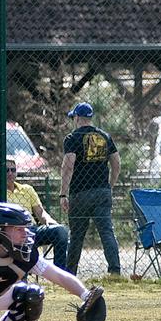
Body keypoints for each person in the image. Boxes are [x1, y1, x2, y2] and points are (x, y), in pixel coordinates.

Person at [60, 102, 121, 276]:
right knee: (107, 232)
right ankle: (115, 270)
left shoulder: (72, 138)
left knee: (77, 235)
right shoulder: (104, 137)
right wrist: (109, 186)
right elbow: (116, 163)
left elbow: (68, 166)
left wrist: (63, 193)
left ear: (77, 118)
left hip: (80, 193)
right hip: (102, 191)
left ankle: (70, 273)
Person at [0, 157, 69, 271]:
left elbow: (41, 213)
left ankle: (60, 273)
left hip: (31, 230)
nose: (10, 173)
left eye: (13, 170)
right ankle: (20, 275)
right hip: (8, 233)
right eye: (6, 170)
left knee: (60, 231)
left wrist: (50, 221)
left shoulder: (27, 189)